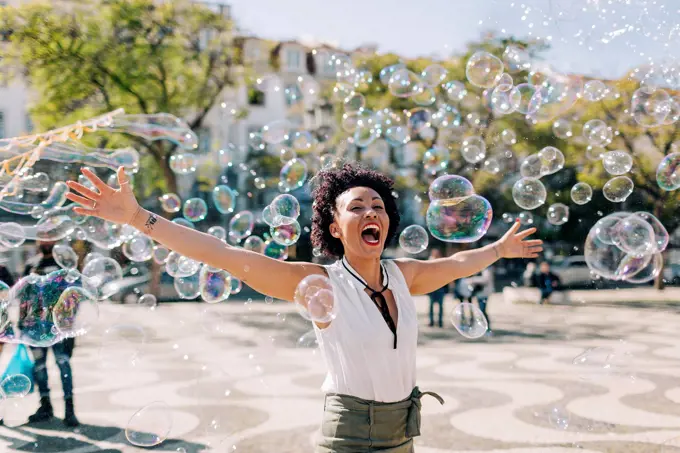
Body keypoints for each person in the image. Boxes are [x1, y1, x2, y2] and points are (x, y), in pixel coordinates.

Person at [65, 163, 543, 452]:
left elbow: (459, 261)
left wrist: (497, 250)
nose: (370, 212)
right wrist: (136, 216)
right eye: (355, 207)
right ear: (334, 228)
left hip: (404, 432)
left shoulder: (403, 275)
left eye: (377, 205)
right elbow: (225, 255)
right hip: (349, 436)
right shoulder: (320, 282)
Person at [23, 241, 80, 427]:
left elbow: (76, 295)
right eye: (42, 238)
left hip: (59, 329)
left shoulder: (64, 265)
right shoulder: (32, 266)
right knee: (39, 367)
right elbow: (25, 296)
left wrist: (67, 322)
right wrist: (22, 323)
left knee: (63, 365)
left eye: (49, 237)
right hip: (36, 329)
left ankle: (69, 410)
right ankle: (45, 406)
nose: (45, 241)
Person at [467, 266, 495, 334]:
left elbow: (485, 279)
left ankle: (487, 329)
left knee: (482, 311)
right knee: (481, 311)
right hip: (479, 293)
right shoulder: (481, 267)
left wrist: (472, 279)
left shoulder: (487, 268)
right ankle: (483, 328)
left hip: (484, 293)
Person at [426, 249, 447, 328]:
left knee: (440, 306)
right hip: (431, 288)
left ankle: (440, 321)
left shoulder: (442, 262)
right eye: (434, 253)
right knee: (431, 305)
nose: (436, 254)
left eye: (437, 253)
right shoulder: (429, 261)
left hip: (440, 287)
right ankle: (431, 321)